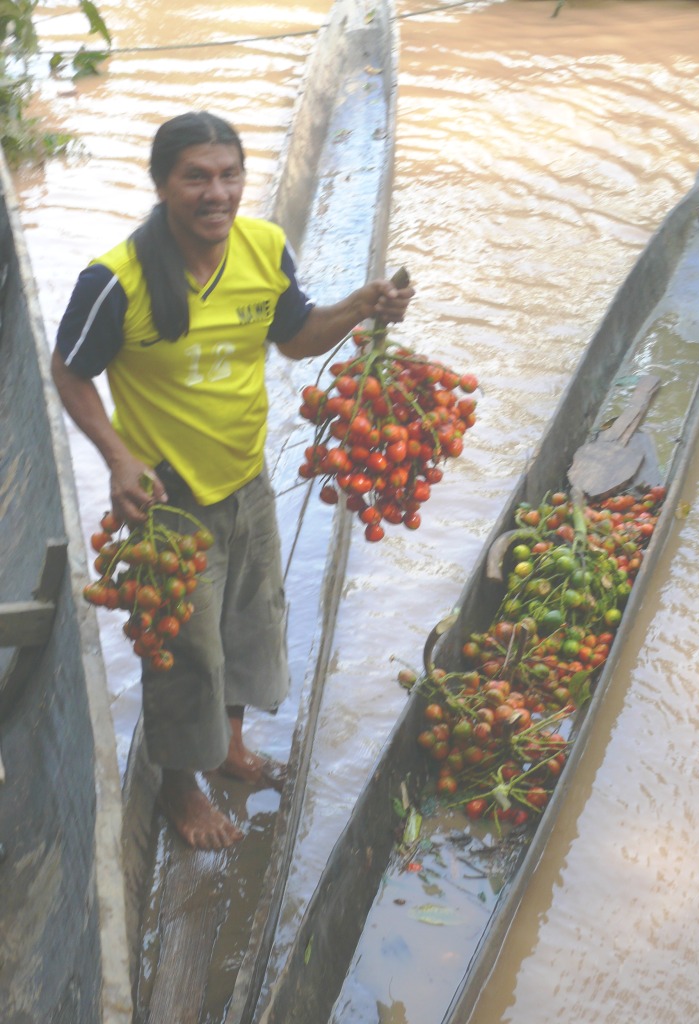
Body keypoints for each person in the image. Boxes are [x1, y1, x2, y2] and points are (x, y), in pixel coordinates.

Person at [52, 110, 413, 851]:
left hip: (245, 476)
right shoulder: (114, 281)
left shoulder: (264, 248)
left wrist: (357, 308)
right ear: (162, 186)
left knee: (250, 620)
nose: (216, 193)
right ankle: (182, 788)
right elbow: (69, 372)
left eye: (229, 175)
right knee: (186, 650)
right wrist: (118, 456)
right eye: (196, 177)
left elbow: (292, 338)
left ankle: (231, 748)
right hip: (166, 499)